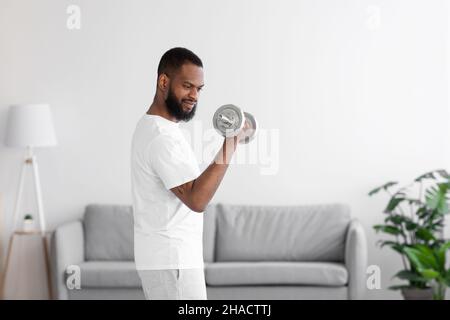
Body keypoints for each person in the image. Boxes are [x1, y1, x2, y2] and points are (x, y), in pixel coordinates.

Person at [130, 47, 250, 300]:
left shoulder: (157, 128)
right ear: (164, 81)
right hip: (172, 261)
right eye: (187, 86)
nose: (194, 95)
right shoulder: (161, 136)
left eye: (199, 88)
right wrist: (231, 142)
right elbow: (197, 200)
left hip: (169, 259)